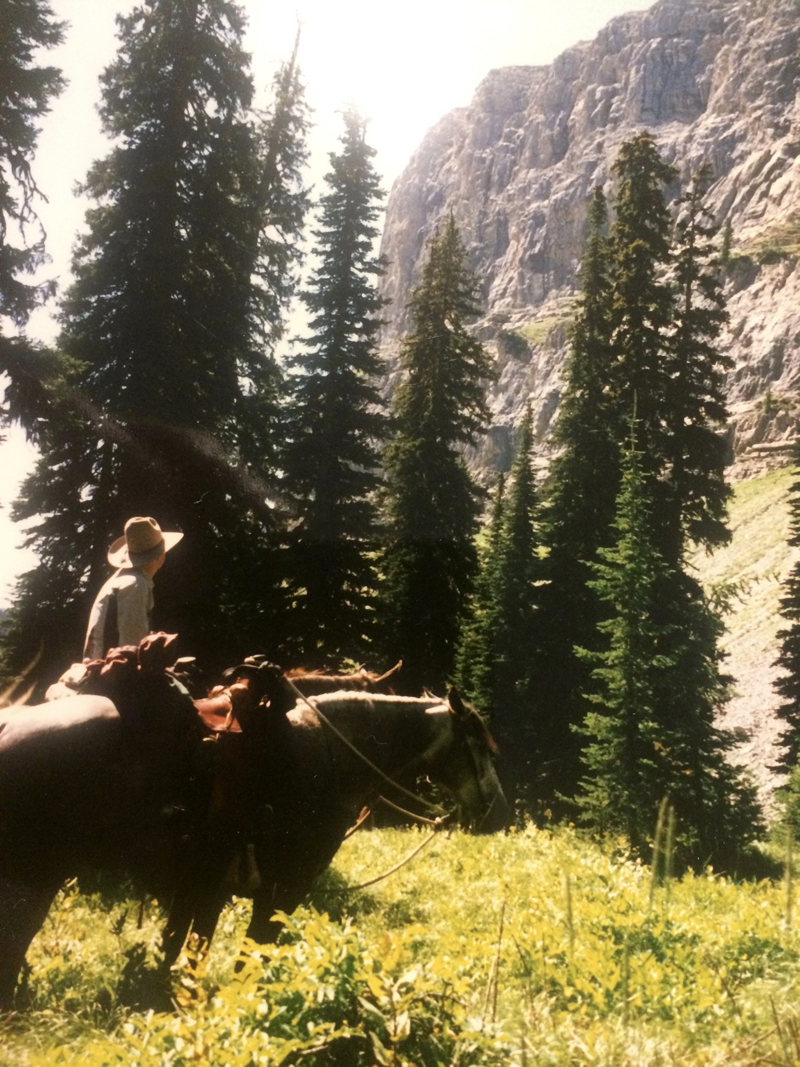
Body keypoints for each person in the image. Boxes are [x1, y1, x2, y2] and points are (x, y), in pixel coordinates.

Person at [83, 516, 183, 662]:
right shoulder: (136, 585)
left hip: (103, 669)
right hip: (111, 674)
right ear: (159, 558)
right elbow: (131, 647)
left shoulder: (124, 579)